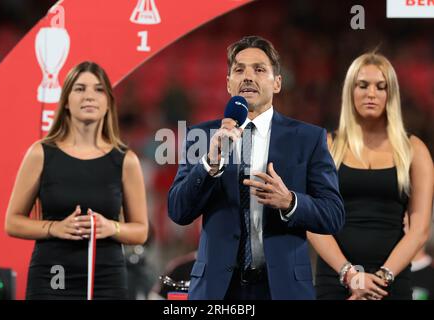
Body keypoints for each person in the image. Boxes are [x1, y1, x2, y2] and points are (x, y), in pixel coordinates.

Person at [168, 35, 345, 300]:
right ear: (228, 83)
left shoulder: (308, 138)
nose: (248, 76)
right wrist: (209, 164)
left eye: (259, 69)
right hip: (218, 290)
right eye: (239, 70)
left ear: (277, 83)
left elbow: (334, 215)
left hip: (282, 288)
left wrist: (290, 202)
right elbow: (178, 211)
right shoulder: (202, 136)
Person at [5, 61, 148, 299]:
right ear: (66, 101)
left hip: (107, 281)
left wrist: (110, 227)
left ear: (108, 103)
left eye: (98, 89)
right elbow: (13, 222)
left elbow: (140, 231)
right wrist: (55, 228)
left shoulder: (126, 160)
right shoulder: (40, 153)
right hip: (50, 279)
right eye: (80, 89)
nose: (89, 96)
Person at [308, 52, 433, 300]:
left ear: (391, 94)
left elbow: (419, 229)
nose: (371, 93)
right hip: (335, 281)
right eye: (362, 85)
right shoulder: (326, 146)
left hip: (391, 282)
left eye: (381, 86)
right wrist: (350, 275)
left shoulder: (414, 149)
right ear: (350, 91)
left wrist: (381, 278)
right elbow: (314, 222)